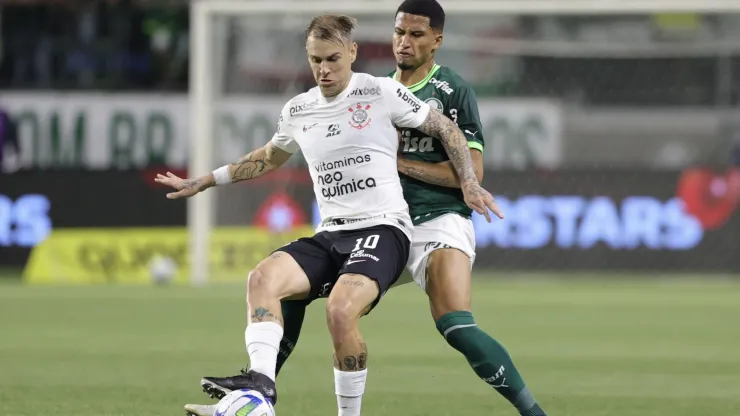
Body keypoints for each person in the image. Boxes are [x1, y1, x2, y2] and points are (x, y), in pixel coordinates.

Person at [161, 13, 501, 416]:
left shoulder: (380, 91)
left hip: (384, 231)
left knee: (340, 310)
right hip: (331, 234)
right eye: (315, 60)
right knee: (262, 278)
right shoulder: (298, 109)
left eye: (333, 59)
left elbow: (448, 130)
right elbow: (269, 157)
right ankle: (260, 391)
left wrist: (468, 181)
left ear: (352, 53)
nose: (323, 69)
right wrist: (206, 180)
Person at [273, 1, 549, 415]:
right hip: (384, 226)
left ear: (437, 41)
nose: (405, 42)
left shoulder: (452, 91)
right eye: (399, 32)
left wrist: (397, 161)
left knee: (455, 324)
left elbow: (470, 171)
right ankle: (255, 393)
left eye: (416, 34)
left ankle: (534, 413)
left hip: (440, 221)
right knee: (294, 291)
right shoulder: (376, 90)